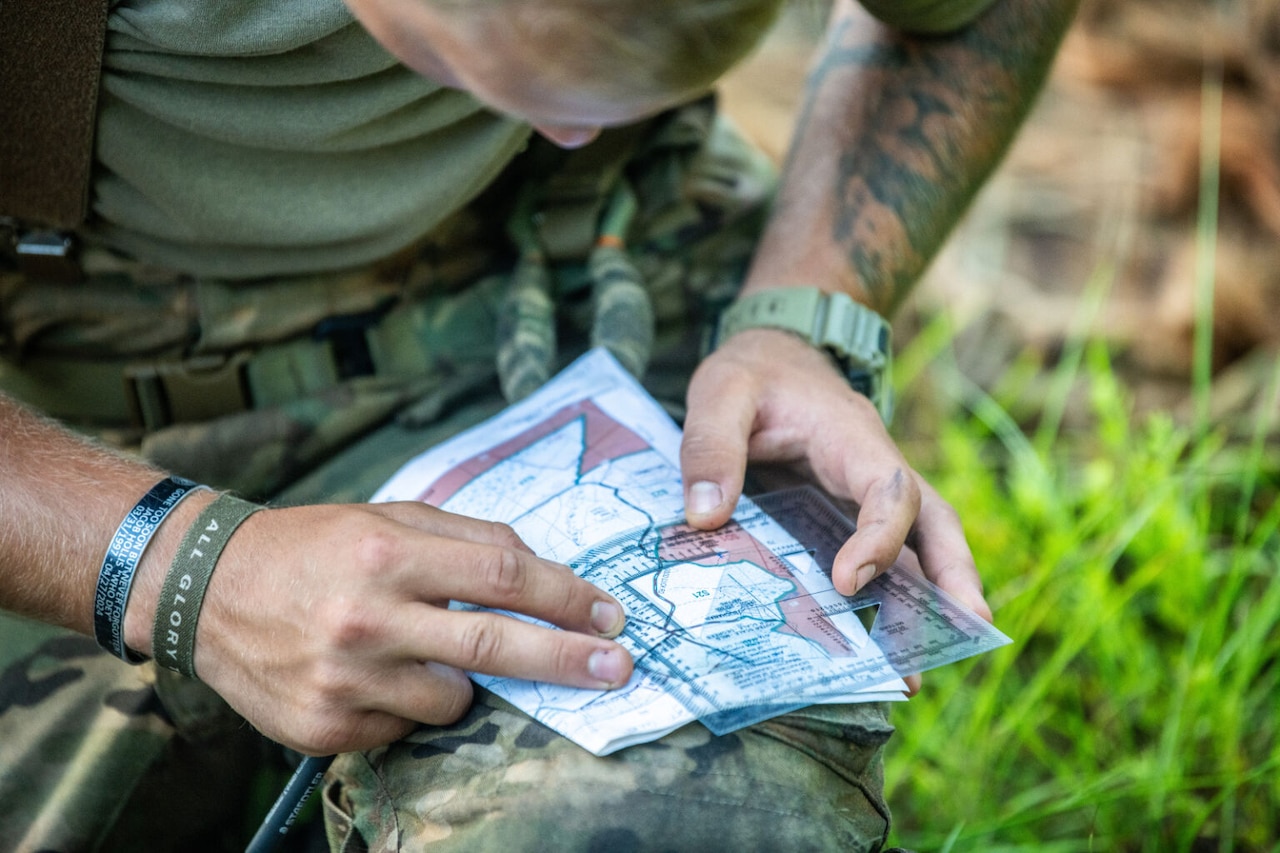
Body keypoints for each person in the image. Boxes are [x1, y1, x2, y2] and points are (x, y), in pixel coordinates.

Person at [0, 0, 1079, 849]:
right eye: (540, 67)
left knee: (661, 826)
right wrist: (179, 570)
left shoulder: (578, 136)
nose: (575, 123)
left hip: (565, 300)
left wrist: (802, 314)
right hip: (56, 429)